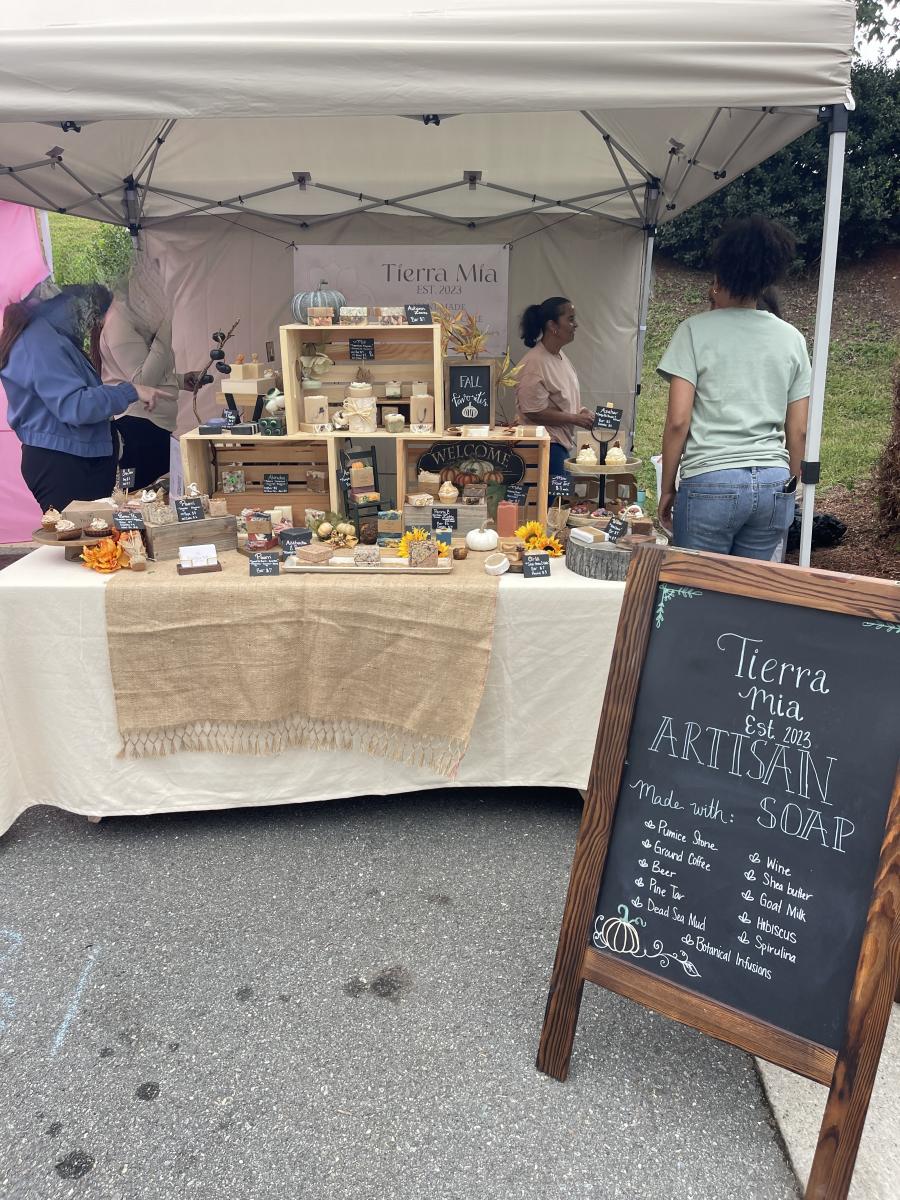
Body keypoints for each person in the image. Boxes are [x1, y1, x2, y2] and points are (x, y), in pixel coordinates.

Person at [657, 216, 810, 560]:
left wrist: (667, 487)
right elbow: (798, 429)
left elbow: (678, 421)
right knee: (746, 589)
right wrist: (789, 486)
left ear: (721, 273)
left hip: (710, 478)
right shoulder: (792, 338)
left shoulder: (693, 331)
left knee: (696, 586)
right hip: (773, 480)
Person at [0, 285, 139, 511]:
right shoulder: (39, 339)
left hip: (77, 457)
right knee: (79, 530)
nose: (91, 323)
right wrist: (130, 391)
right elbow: (75, 405)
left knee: (93, 530)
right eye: (92, 313)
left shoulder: (51, 336)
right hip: (63, 462)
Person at [99, 255, 183, 489]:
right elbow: (142, 380)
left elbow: (154, 371)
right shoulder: (119, 322)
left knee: (159, 495)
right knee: (143, 497)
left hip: (155, 425)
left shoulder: (140, 318)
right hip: (139, 425)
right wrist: (165, 328)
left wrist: (182, 380)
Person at [515, 296, 594, 478]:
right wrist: (574, 418)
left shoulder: (560, 356)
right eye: (570, 319)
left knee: (561, 495)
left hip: (559, 446)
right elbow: (533, 411)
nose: (576, 325)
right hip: (544, 447)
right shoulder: (534, 363)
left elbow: (561, 399)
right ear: (552, 326)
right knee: (550, 496)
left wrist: (581, 412)